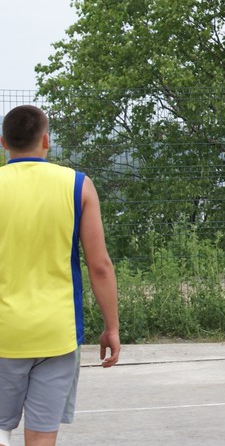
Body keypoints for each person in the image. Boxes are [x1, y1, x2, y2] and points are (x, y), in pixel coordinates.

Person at [0, 105, 121, 446]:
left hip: (3, 333)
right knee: (41, 437)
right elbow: (99, 265)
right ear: (46, 141)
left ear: (3, 143)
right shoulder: (78, 185)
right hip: (57, 333)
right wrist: (111, 327)